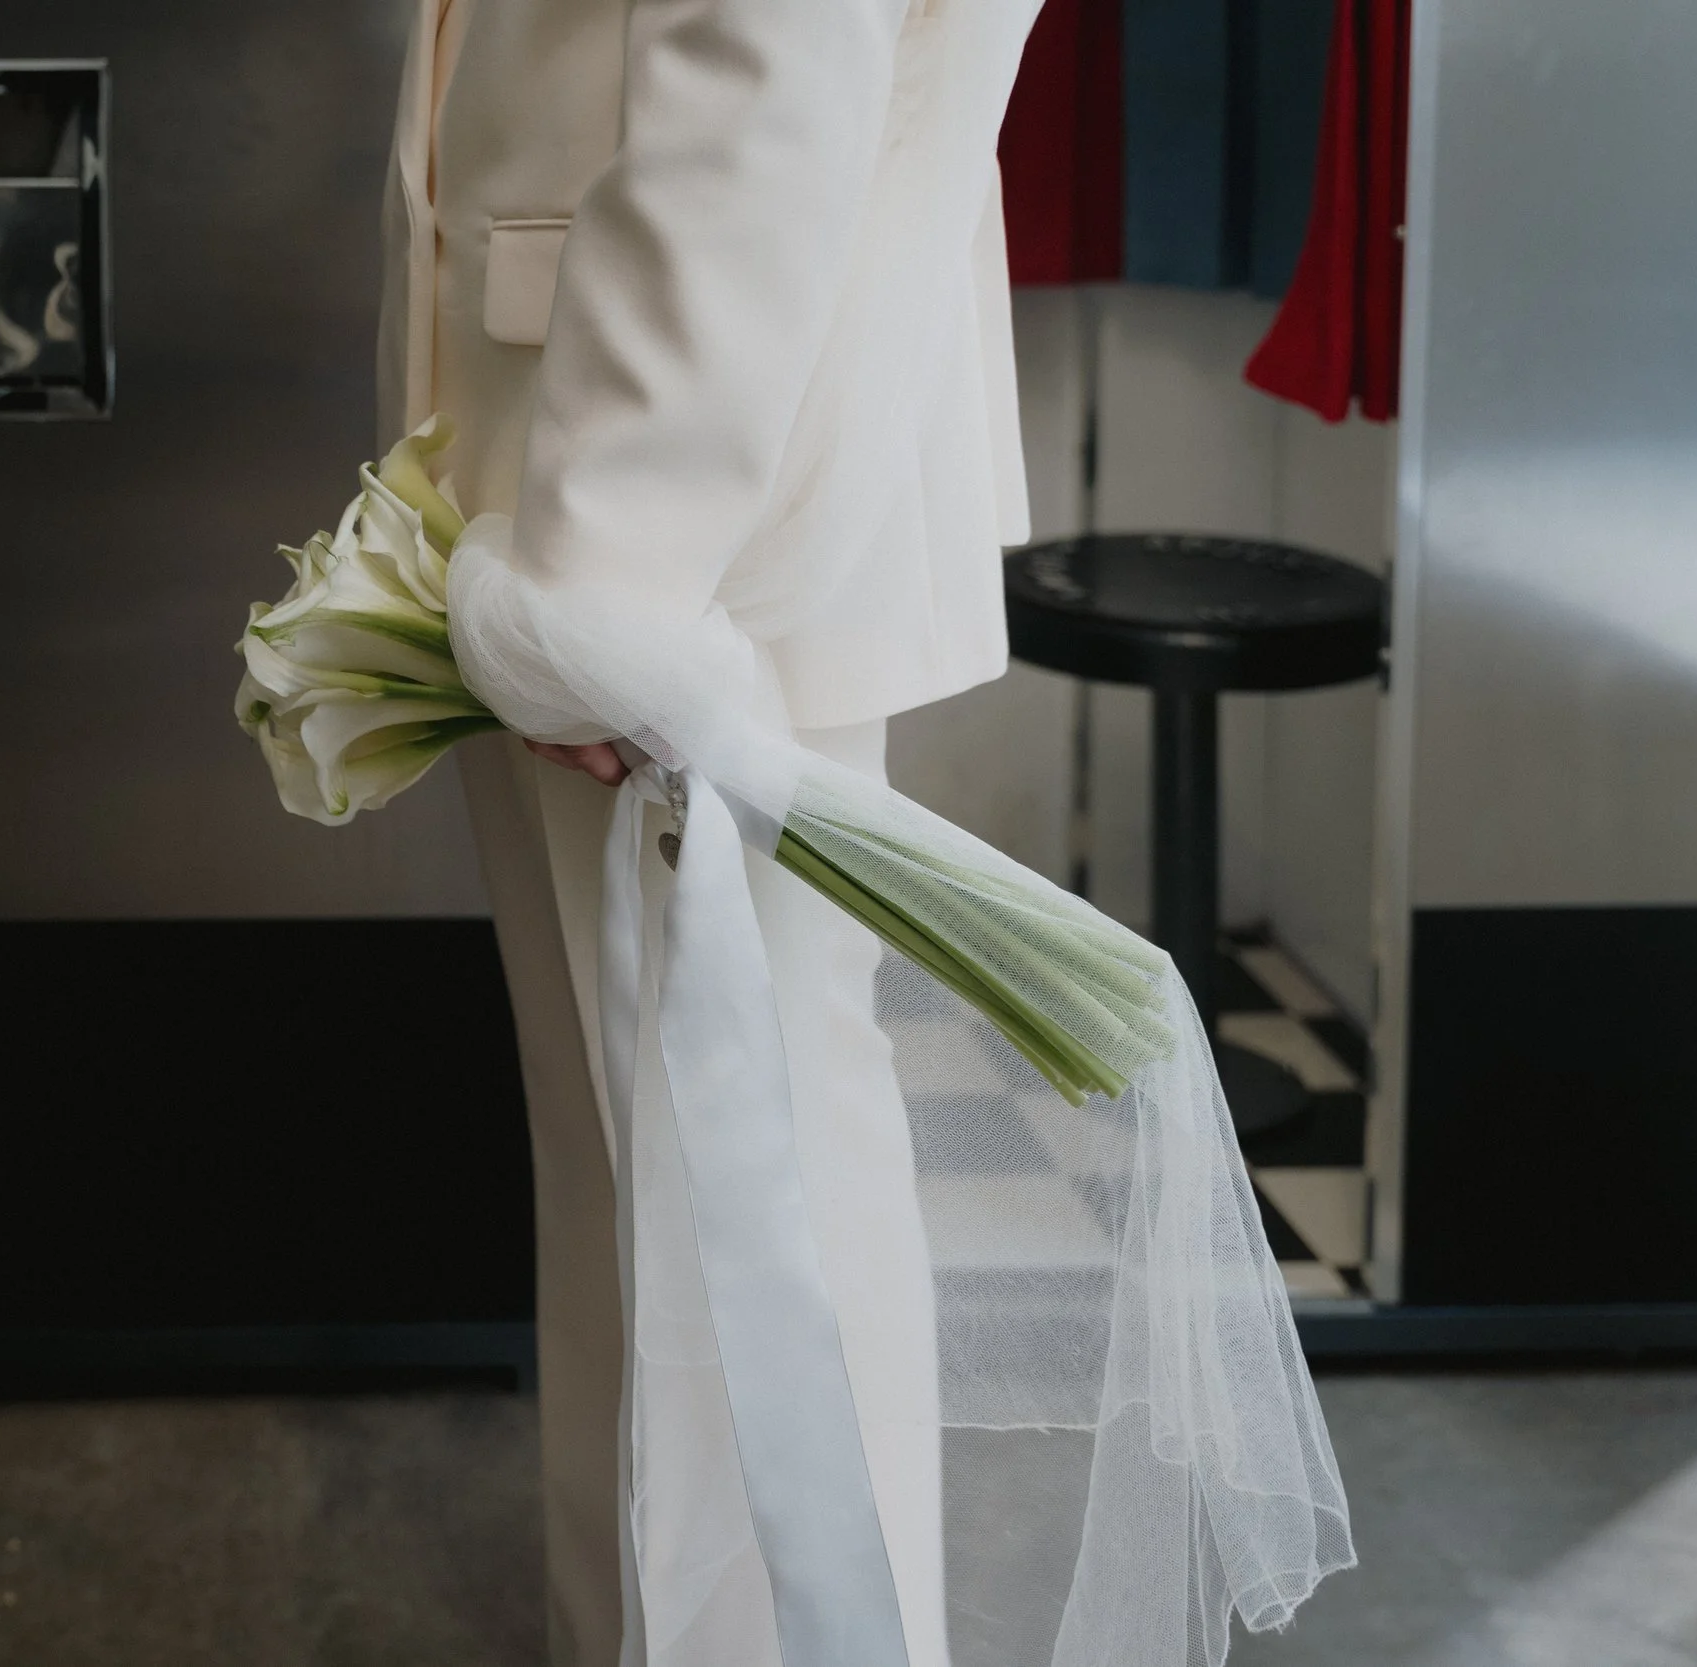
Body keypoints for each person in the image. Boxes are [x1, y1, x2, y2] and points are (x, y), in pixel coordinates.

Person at [378, 3, 1349, 1664]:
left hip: (659, 499)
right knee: (665, 1198)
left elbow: (765, 57)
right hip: (592, 458)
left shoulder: (620, 558)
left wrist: (606, 578)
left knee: (727, 1212)